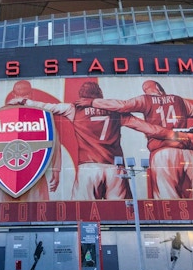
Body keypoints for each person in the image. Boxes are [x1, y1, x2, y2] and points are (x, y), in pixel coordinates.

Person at [11, 80, 173, 200]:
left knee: (81, 215)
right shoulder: (117, 113)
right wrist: (173, 135)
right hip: (115, 169)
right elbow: (148, 128)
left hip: (87, 169)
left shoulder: (73, 109)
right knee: (122, 215)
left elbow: (47, 106)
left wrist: (25, 101)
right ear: (100, 96)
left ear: (82, 96)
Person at [91, 80, 193, 199]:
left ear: (147, 91)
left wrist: (93, 102)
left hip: (162, 151)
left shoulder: (145, 100)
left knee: (167, 193)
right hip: (188, 152)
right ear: (160, 88)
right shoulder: (180, 100)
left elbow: (122, 106)